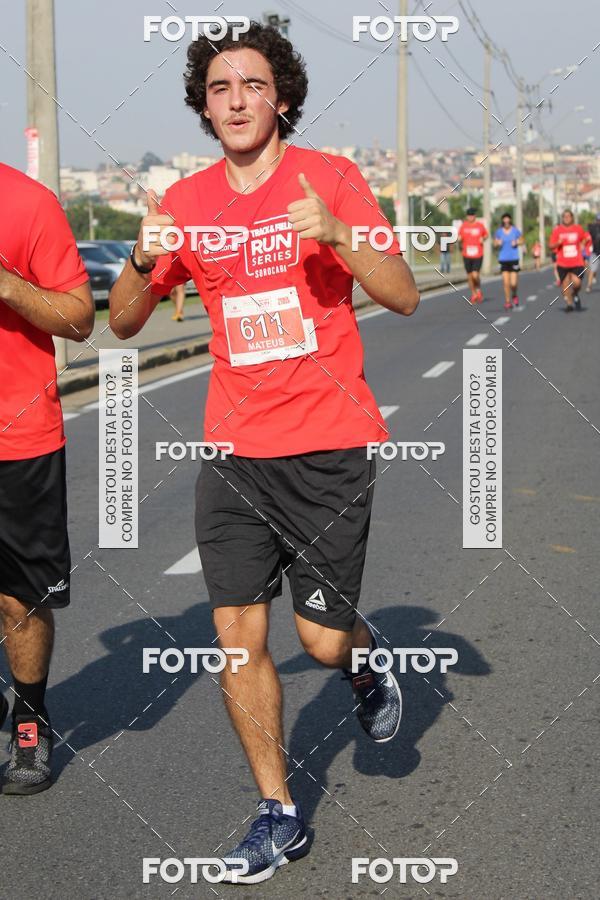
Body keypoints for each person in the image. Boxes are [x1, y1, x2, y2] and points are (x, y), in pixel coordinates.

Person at [108, 21, 419, 884]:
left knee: (319, 642)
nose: (236, 100)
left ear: (281, 96)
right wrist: (140, 255)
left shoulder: (332, 178)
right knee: (235, 637)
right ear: (204, 108)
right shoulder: (190, 203)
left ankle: (363, 659)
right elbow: (125, 320)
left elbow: (399, 296)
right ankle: (278, 813)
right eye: (218, 88)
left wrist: (339, 235)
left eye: (251, 84)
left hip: (327, 445)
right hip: (236, 452)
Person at [0, 163, 94, 793]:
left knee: (18, 598)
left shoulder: (27, 202)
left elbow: (80, 317)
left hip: (17, 435)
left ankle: (29, 721)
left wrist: (9, 286)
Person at [549, 209, 587, 312]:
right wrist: (558, 243)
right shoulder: (557, 230)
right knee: (565, 285)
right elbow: (550, 245)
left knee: (577, 283)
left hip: (577, 262)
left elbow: (585, 238)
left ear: (572, 218)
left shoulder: (578, 229)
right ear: (562, 218)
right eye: (564, 216)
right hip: (562, 263)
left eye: (568, 216)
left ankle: (575, 294)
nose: (566, 218)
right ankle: (569, 304)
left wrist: (583, 244)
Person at [493, 213, 524, 310]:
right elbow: (494, 244)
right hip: (503, 259)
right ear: (502, 221)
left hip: (514, 259)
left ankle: (514, 295)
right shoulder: (499, 232)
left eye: (508, 220)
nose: (506, 222)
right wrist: (498, 243)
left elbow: (522, 240)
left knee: (513, 283)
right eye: (504, 220)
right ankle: (507, 301)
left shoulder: (515, 231)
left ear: (510, 221)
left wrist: (517, 242)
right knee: (506, 283)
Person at [458, 207, 488, 303]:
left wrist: (483, 239)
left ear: (475, 216)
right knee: (470, 276)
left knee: (475, 275)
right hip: (466, 254)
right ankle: (474, 293)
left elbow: (486, 234)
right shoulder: (464, 226)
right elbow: (459, 236)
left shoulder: (480, 225)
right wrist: (459, 239)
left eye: (472, 215)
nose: (471, 217)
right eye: (469, 215)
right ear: (467, 216)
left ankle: (478, 289)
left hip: (478, 254)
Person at [586, 212, 600, 292]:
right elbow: (587, 234)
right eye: (598, 220)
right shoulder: (593, 228)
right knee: (592, 269)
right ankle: (589, 286)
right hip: (595, 252)